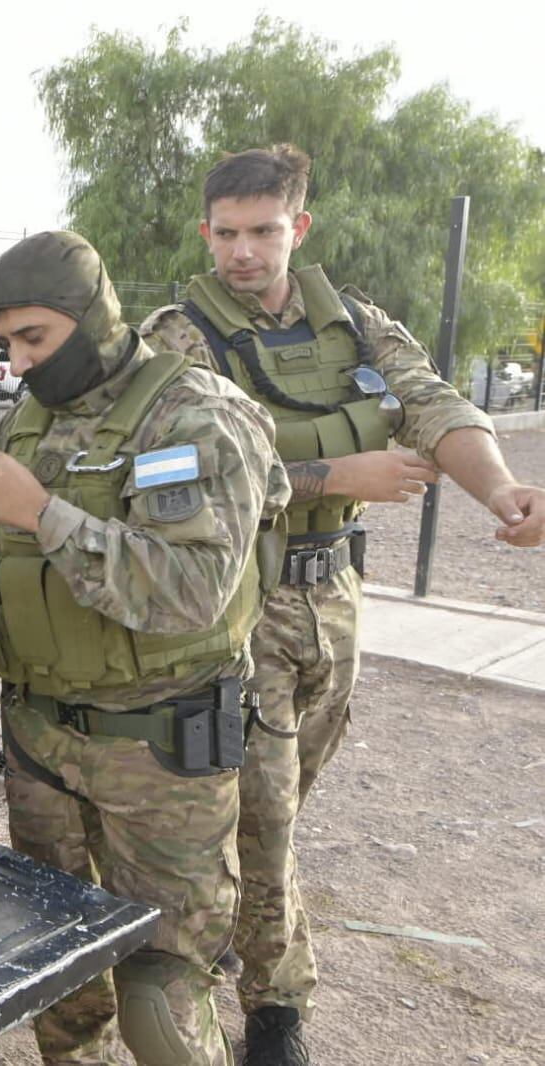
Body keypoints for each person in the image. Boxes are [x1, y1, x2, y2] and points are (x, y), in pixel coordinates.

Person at [140, 144, 545, 1065]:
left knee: (277, 808)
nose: (243, 252)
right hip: (239, 605)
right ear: (205, 232)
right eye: (226, 234)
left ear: (298, 228)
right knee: (264, 810)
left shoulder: (352, 323)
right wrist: (334, 471)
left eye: (263, 232)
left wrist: (503, 492)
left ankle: (226, 948)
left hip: (334, 604)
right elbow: (178, 474)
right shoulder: (179, 335)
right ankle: (273, 1012)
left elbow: (432, 406)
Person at [0, 231, 290, 1066]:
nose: (15, 364)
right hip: (41, 747)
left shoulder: (194, 414)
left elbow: (190, 591)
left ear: (94, 319)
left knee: (161, 994)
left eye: (32, 339)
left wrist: (42, 512)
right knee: (60, 982)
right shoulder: (20, 420)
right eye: (4, 345)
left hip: (157, 755)